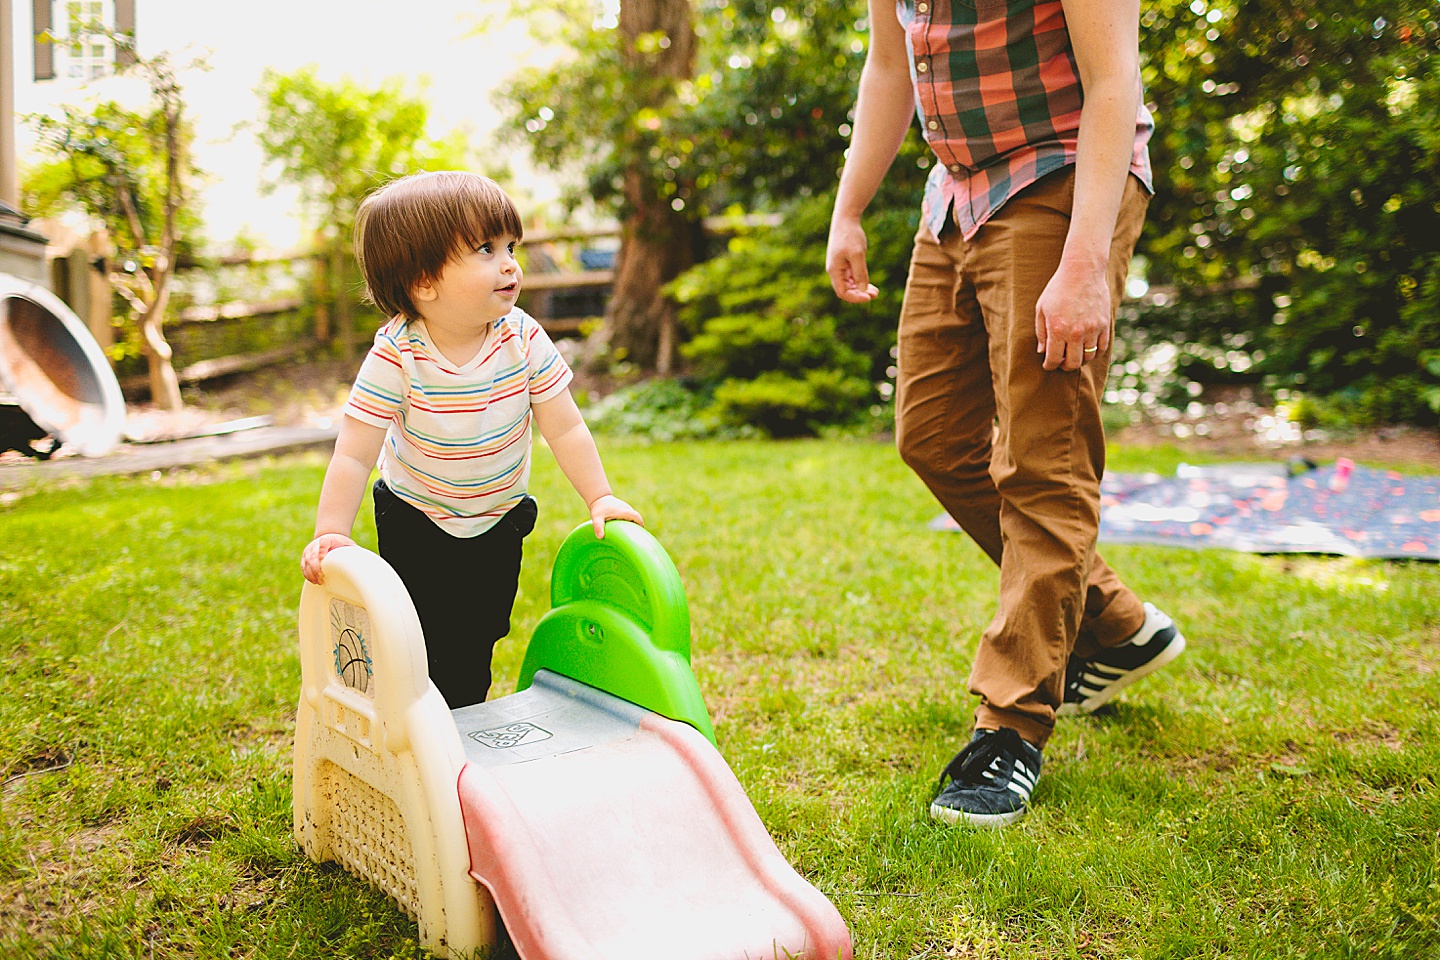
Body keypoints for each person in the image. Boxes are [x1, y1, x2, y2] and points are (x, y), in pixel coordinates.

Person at [826, 0, 1185, 827]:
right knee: (932, 436)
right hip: (956, 192)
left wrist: (1084, 262)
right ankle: (1115, 622)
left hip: (1061, 176)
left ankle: (1011, 727)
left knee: (1041, 457)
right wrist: (850, 209)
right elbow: (889, 68)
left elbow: (1112, 82)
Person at [301, 171, 643, 709]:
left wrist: (599, 496)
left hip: (499, 518)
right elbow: (354, 452)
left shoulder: (523, 337)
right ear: (423, 282)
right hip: (417, 518)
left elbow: (565, 425)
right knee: (420, 636)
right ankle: (420, 720)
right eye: (486, 249)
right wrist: (332, 532)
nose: (510, 263)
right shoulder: (398, 353)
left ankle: (460, 713)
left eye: (511, 246)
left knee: (480, 632)